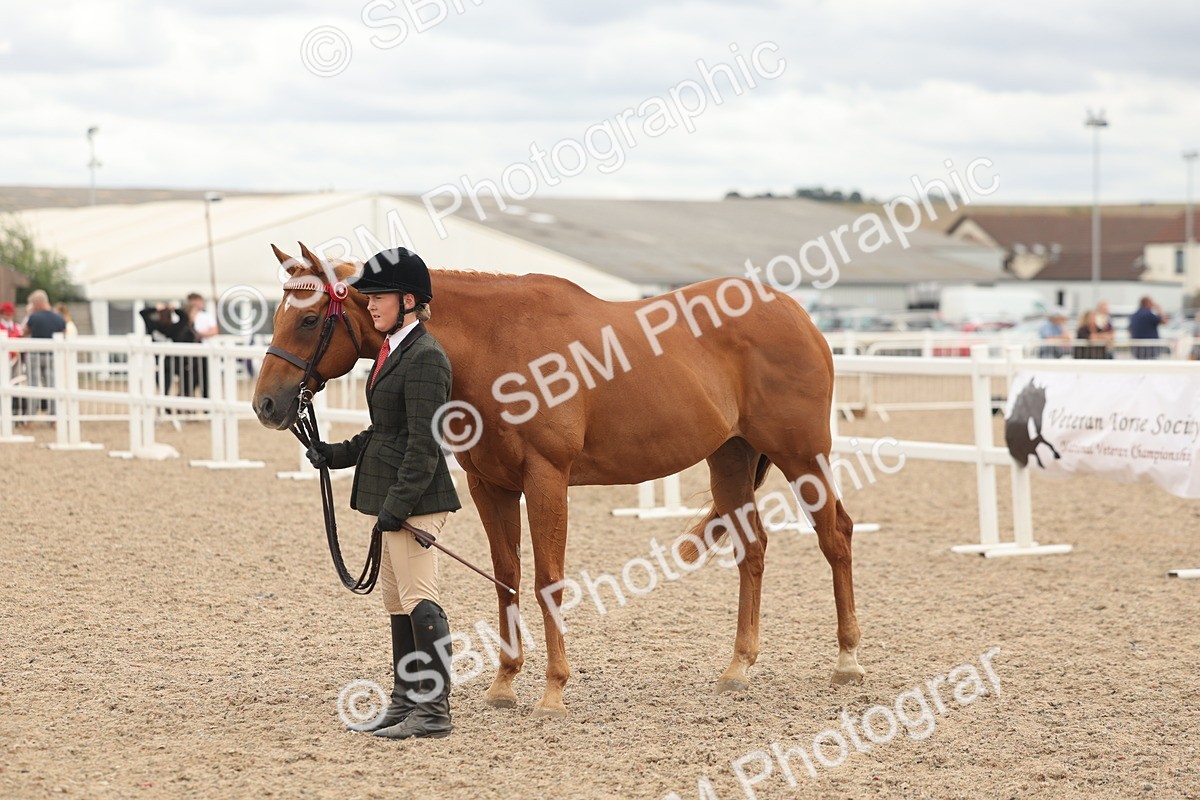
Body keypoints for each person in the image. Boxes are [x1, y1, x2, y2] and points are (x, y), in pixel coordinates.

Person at [306, 248, 462, 740]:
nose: (370, 305)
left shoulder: (427, 357)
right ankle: (404, 702)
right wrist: (334, 454)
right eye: (368, 297)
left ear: (409, 300)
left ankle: (434, 712)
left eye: (380, 297)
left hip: (419, 500)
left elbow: (424, 443)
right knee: (397, 602)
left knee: (420, 599)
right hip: (396, 497)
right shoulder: (392, 350)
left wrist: (397, 505)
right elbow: (384, 432)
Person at [22, 290, 66, 415]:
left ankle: (30, 416)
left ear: (37, 303)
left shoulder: (33, 317)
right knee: (53, 386)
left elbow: (24, 332)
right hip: (52, 356)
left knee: (32, 386)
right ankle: (54, 417)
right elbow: (64, 334)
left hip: (35, 355)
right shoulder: (59, 318)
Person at [187, 293, 218, 397]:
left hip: (205, 352)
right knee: (189, 381)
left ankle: (206, 403)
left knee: (205, 380)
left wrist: (201, 334)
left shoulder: (206, 316)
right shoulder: (186, 316)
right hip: (190, 353)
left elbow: (214, 330)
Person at [1128, 295, 1168, 360]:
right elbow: (1165, 322)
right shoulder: (1149, 314)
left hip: (1136, 349)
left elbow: (1130, 330)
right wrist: (1159, 309)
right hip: (1150, 349)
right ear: (1147, 303)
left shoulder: (1134, 315)